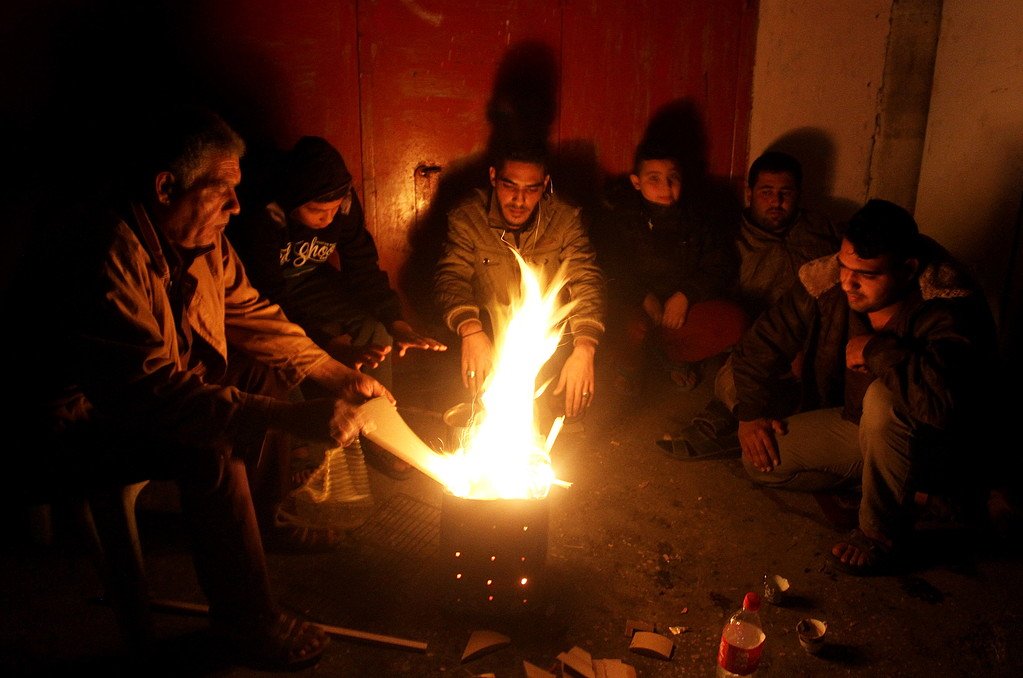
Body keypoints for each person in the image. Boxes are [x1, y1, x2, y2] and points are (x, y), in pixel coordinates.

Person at [10, 107, 394, 669]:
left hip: (149, 391)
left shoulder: (200, 238)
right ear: (167, 186)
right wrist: (289, 418)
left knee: (260, 374)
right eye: (223, 193)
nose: (237, 207)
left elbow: (251, 313)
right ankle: (247, 622)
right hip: (76, 422)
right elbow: (152, 390)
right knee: (210, 443)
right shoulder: (103, 254)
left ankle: (262, 522)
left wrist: (337, 374)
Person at [730, 199, 1001, 575]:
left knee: (882, 397)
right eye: (844, 265)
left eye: (867, 275)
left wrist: (877, 351)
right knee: (760, 461)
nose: (847, 282)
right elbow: (761, 343)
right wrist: (752, 414)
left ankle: (880, 534)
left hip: (937, 449)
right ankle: (907, 492)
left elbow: (945, 406)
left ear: (907, 271)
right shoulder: (829, 281)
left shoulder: (948, 305)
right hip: (857, 425)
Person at [230, 135, 445, 478]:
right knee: (280, 347)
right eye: (317, 211)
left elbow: (362, 265)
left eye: (334, 209)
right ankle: (299, 451)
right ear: (291, 200)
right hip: (266, 291)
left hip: (310, 280)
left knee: (372, 328)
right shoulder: (263, 213)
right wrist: (326, 345)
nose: (328, 220)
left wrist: (395, 321)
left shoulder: (342, 205)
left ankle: (379, 433)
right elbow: (270, 300)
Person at [657, 150, 841, 459]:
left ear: (799, 195)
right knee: (747, 368)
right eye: (767, 192)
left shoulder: (820, 231)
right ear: (750, 193)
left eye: (785, 193)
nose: (776, 202)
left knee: (808, 379)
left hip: (811, 330)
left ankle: (740, 436)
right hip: (754, 332)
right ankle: (718, 423)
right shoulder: (730, 238)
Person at [433, 141, 605, 424]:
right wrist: (470, 329)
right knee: (478, 412)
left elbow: (586, 276)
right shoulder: (468, 218)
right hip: (487, 335)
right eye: (510, 186)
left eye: (531, 189)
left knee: (565, 413)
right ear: (493, 178)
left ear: (545, 184)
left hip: (546, 337)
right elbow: (451, 276)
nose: (519, 200)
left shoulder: (564, 219)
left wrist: (585, 347)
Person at [594, 140, 746, 397]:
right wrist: (642, 296)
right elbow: (611, 267)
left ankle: (673, 356)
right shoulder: (621, 217)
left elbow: (720, 263)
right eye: (654, 178)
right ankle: (630, 364)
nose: (665, 187)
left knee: (733, 322)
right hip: (639, 310)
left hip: (679, 312)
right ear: (636, 182)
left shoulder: (698, 216)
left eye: (672, 178)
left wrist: (686, 294)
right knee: (628, 326)